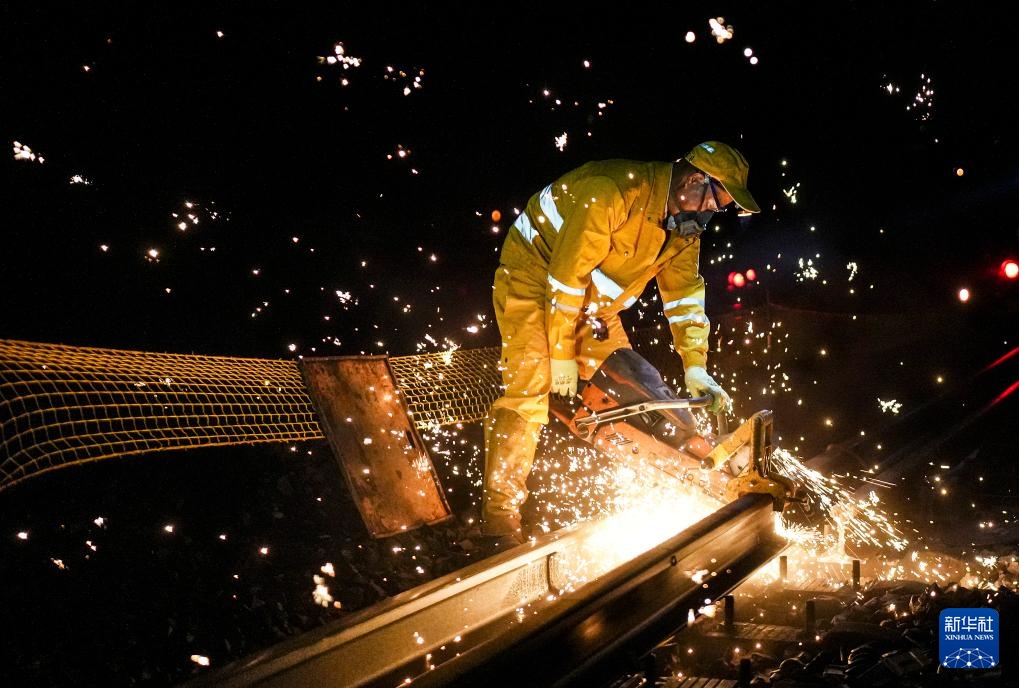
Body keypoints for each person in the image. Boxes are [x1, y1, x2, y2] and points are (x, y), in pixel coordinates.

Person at [479, 141, 761, 548]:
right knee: (531, 392)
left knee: (629, 381)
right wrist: (560, 356)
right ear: (695, 179)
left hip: (590, 303)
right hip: (534, 282)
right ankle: (499, 525)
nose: (715, 212)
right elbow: (564, 277)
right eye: (717, 200)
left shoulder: (684, 229)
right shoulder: (611, 192)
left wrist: (695, 365)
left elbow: (683, 298)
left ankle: (695, 474)